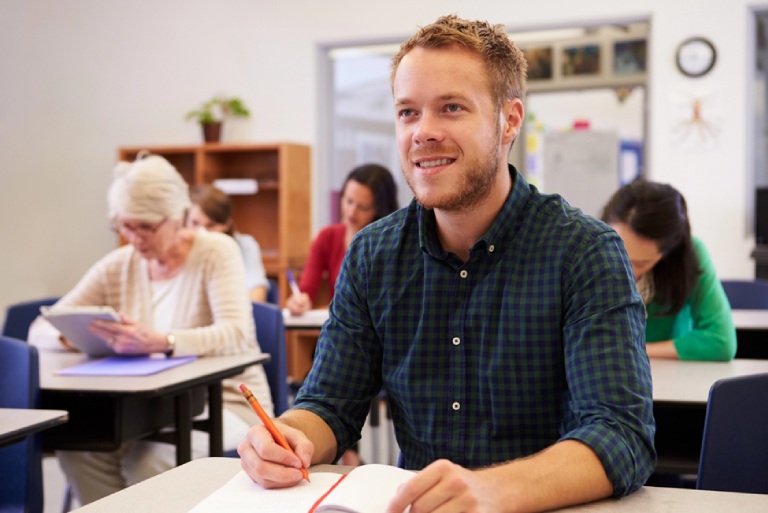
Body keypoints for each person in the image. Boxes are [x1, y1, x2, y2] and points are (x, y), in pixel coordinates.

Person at [238, 14, 655, 513]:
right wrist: (286, 438)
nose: (423, 133)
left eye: (452, 108)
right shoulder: (373, 254)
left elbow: (620, 434)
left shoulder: (584, 251)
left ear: (510, 120)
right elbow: (329, 405)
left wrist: (492, 490)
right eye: (408, 112)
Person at [28, 153, 273, 505]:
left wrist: (164, 342)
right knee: (80, 448)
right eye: (126, 227)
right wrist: (78, 334)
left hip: (223, 403)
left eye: (147, 227)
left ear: (178, 217)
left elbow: (235, 333)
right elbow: (41, 326)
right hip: (139, 410)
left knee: (150, 461)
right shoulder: (119, 264)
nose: (135, 238)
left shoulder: (217, 252)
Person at [601, 179, 737, 361]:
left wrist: (634, 350)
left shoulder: (689, 256)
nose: (627, 271)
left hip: (671, 379)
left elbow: (721, 342)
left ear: (668, 253)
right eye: (617, 256)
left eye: (640, 263)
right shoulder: (589, 253)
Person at [286, 163, 399, 316]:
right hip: (342, 329)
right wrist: (300, 301)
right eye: (349, 201)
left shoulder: (393, 242)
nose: (351, 212)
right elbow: (307, 289)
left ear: (380, 210)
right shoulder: (327, 237)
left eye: (363, 207)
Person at [187, 184, 272, 303]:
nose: (201, 233)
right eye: (195, 224)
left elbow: (256, 295)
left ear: (226, 225)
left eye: (210, 225)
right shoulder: (179, 248)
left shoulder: (244, 246)